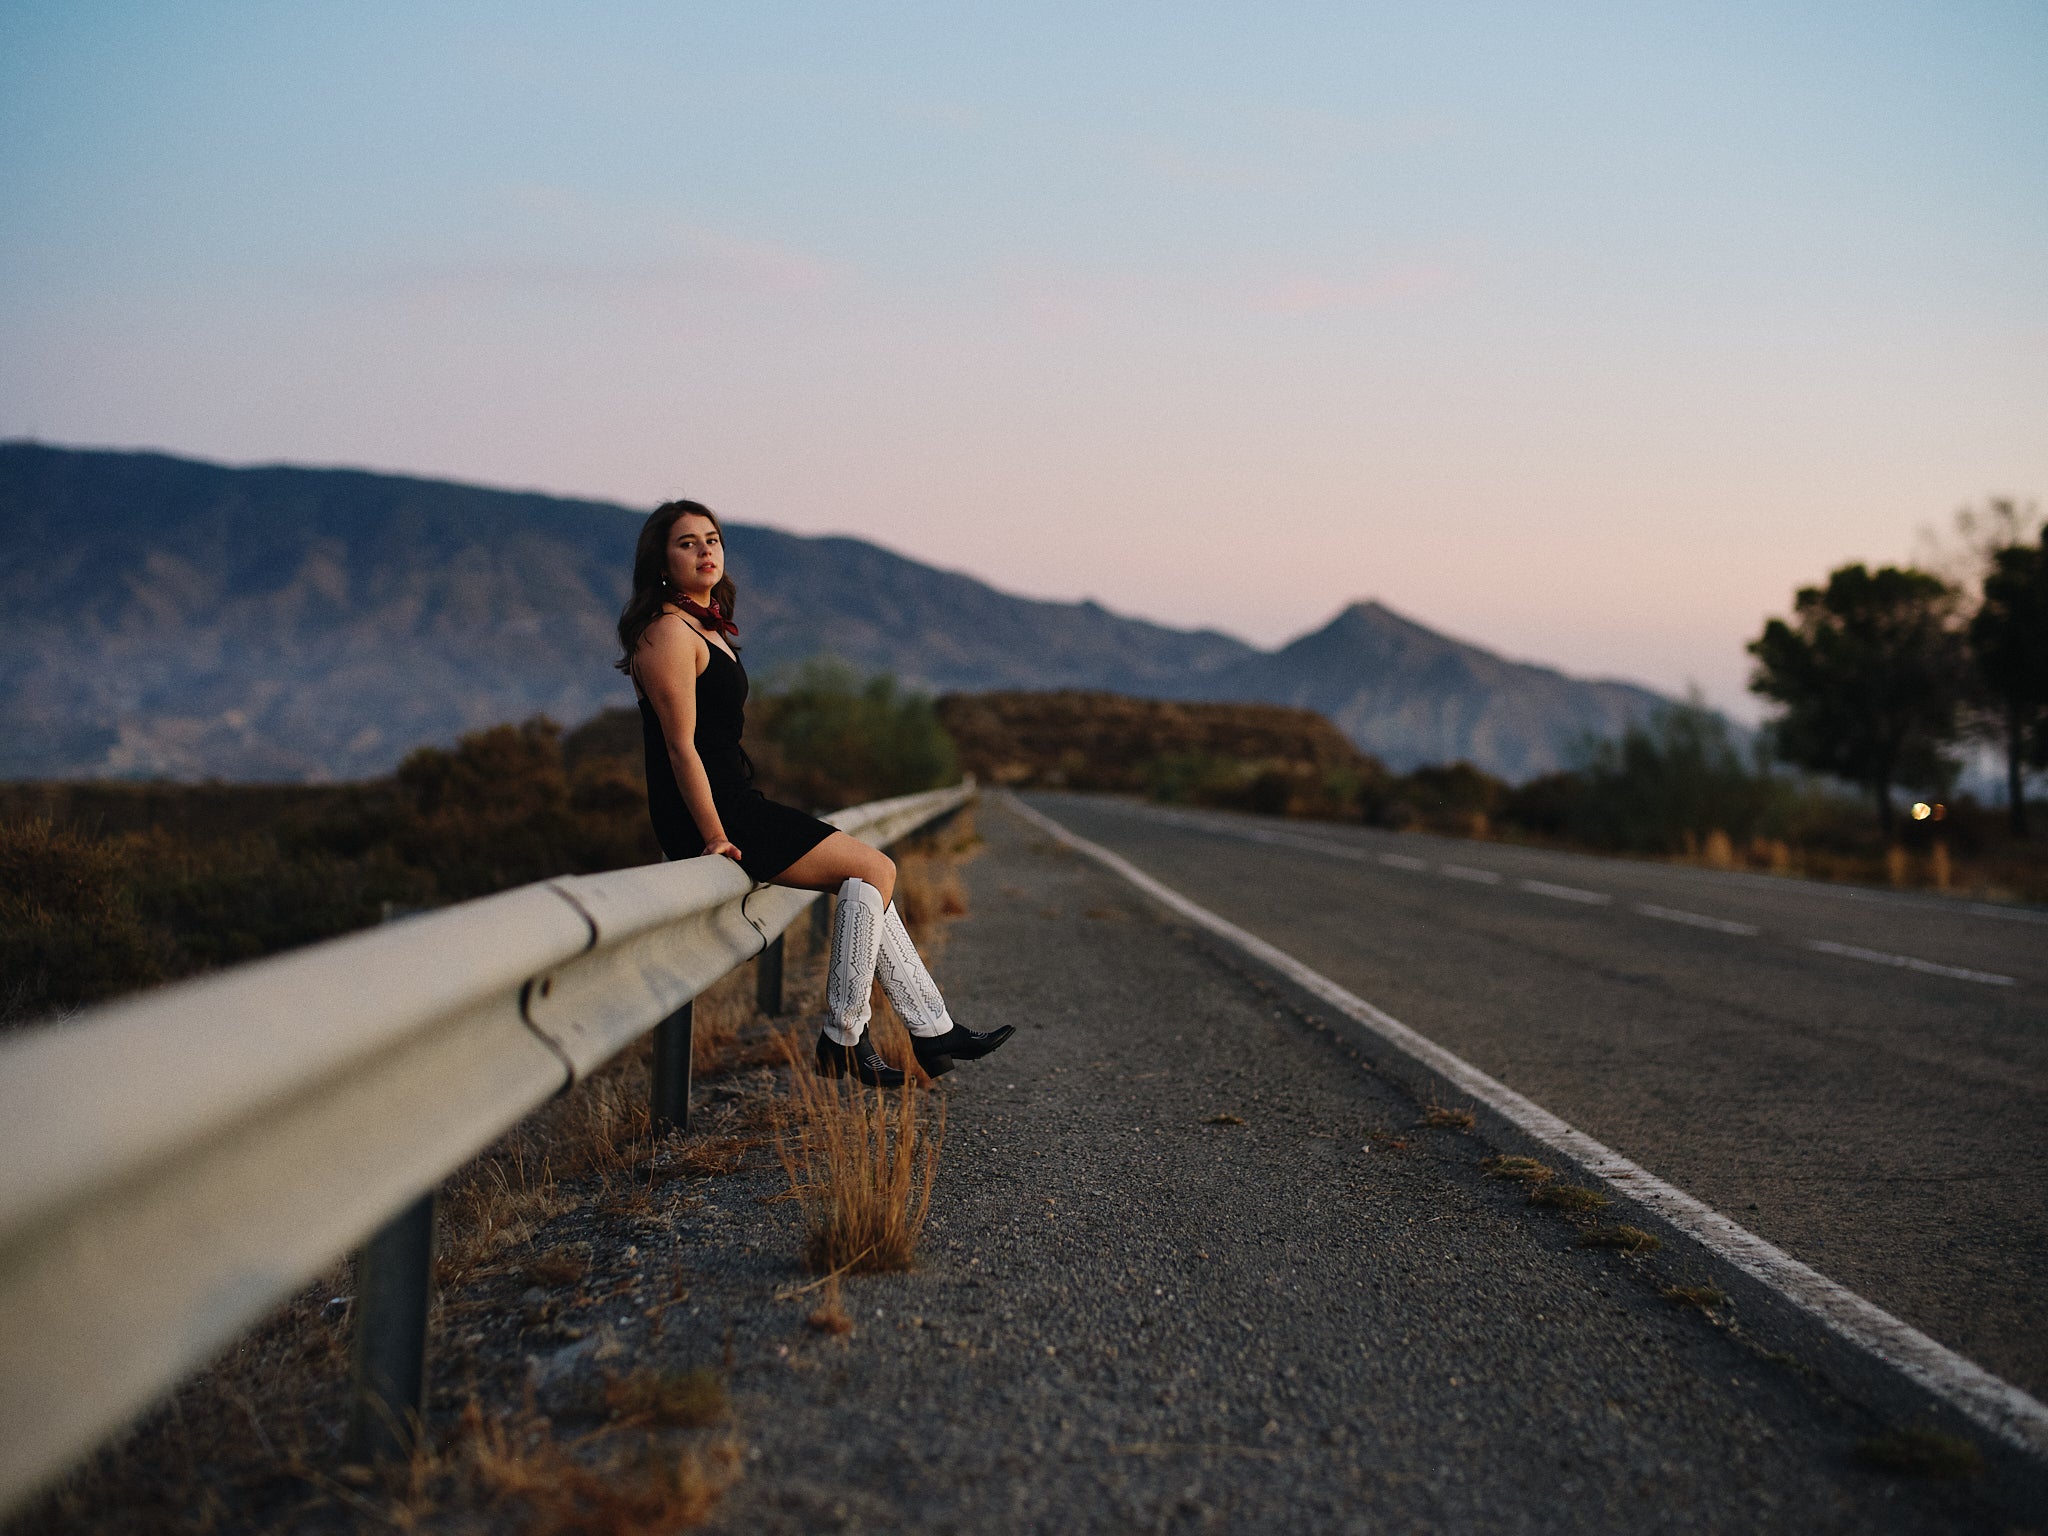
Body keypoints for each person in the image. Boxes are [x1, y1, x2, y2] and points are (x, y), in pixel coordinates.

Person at [617, 499, 1011, 1087]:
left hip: (734, 799)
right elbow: (681, 748)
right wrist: (714, 834)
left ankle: (930, 1030)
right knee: (875, 869)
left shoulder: (704, 626)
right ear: (661, 561)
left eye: (712, 539)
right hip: (712, 812)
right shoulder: (666, 633)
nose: (705, 551)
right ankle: (847, 1036)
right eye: (687, 542)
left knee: (868, 882)